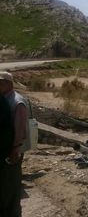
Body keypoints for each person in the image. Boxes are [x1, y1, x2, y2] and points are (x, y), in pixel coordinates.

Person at [0, 71, 27, 217]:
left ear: (9, 84)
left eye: (1, 82)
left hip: (13, 150)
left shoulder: (17, 101)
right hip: (6, 149)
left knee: (11, 185)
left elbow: (20, 129)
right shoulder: (4, 99)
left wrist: (15, 150)